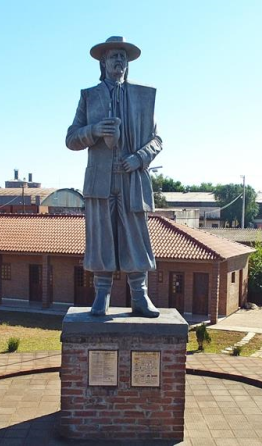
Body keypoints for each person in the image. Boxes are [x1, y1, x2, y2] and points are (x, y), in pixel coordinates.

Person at [65, 36, 162, 318]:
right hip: (100, 181)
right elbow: (71, 138)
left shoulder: (143, 97)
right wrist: (93, 130)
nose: (118, 60)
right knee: (101, 239)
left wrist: (140, 158)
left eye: (123, 56)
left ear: (127, 63)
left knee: (135, 238)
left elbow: (157, 140)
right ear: (103, 62)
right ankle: (101, 296)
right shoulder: (89, 96)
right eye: (113, 56)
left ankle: (140, 297)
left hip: (131, 179)